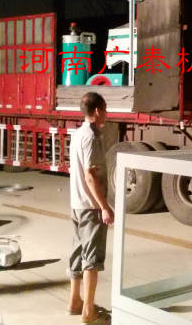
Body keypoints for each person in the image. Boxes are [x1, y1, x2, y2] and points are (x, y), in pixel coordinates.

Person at [68, 92, 113, 324]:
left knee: (77, 253)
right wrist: (103, 206)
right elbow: (90, 176)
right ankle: (88, 311)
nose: (106, 113)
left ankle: (75, 301)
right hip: (90, 206)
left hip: (76, 204)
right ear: (97, 111)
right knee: (92, 259)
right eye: (105, 109)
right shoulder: (91, 137)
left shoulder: (77, 134)